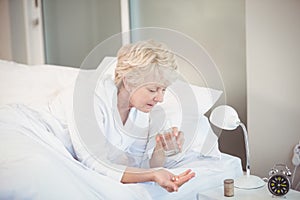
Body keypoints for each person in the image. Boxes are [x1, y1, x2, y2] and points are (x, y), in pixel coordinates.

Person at [69, 40, 195, 193]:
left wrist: (160, 150)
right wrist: (153, 174)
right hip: (46, 139)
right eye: (153, 89)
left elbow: (138, 167)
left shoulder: (140, 112)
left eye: (164, 90)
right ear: (128, 82)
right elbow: (93, 161)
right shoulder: (90, 97)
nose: (160, 98)